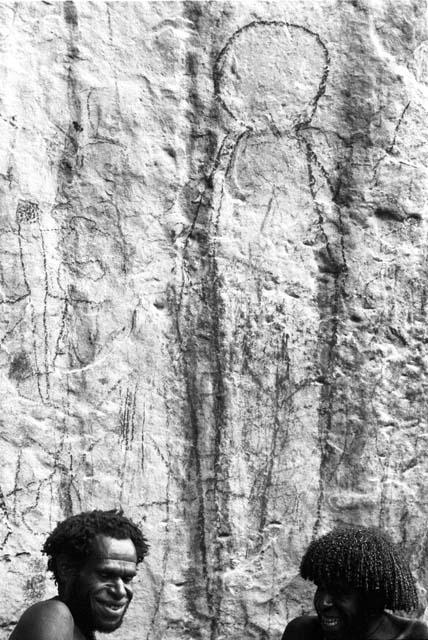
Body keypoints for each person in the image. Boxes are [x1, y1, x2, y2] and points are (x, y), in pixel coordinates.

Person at [9, 509, 149, 640]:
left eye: (127, 578)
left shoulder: (78, 631)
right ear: (66, 568)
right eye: (105, 575)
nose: (120, 591)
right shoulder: (55, 615)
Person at [282, 525, 428, 640]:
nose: (323, 603)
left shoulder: (413, 636)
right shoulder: (303, 632)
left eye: (339, 592)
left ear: (373, 598)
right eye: (321, 588)